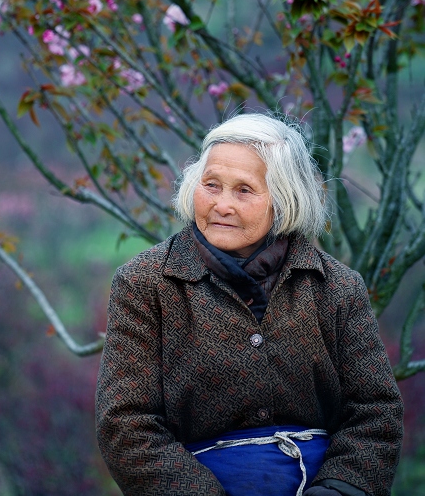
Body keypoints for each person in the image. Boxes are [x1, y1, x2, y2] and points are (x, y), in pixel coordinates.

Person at [95, 114, 403, 496]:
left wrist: (339, 489)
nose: (222, 204)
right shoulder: (146, 284)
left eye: (244, 190)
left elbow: (376, 412)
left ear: (285, 198)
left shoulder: (337, 287)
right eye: (211, 185)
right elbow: (125, 423)